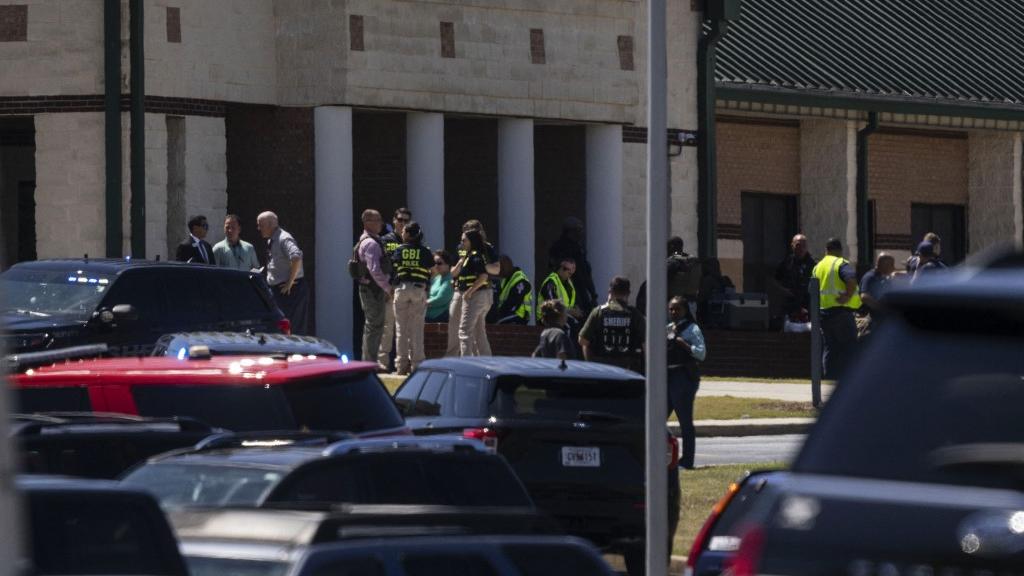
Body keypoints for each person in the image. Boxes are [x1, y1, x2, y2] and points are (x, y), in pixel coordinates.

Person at [446, 220, 498, 356]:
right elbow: (452, 273)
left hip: (477, 291)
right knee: (456, 326)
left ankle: (471, 362)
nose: (462, 241)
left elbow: (495, 270)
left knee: (468, 330)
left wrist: (478, 265)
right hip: (460, 290)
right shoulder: (463, 249)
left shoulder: (486, 249)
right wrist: (462, 261)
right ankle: (453, 358)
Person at [811, 238, 861, 380]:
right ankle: (851, 378)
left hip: (823, 313)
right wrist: (847, 295)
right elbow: (851, 280)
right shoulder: (840, 263)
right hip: (841, 313)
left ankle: (829, 378)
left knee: (830, 347)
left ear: (826, 250)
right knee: (850, 346)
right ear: (839, 250)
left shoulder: (818, 266)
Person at [667, 296, 706, 470]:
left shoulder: (692, 329)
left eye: (677, 309)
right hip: (667, 375)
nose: (674, 312)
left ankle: (687, 460)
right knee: (657, 420)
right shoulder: (667, 328)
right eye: (671, 309)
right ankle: (663, 456)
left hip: (683, 377)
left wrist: (685, 345)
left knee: (684, 421)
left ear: (685, 310)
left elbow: (701, 353)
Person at [390, 221, 433, 375]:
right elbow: (431, 269)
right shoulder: (425, 251)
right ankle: (417, 366)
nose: (401, 233)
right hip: (418, 289)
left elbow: (393, 268)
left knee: (401, 330)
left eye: (404, 231)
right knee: (417, 330)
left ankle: (400, 367)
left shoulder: (399, 249)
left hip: (401, 289)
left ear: (408, 234)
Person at [579, 276, 645, 372]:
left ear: (610, 291)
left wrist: (591, 365)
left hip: (602, 370)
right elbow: (646, 345)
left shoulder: (598, 312)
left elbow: (582, 341)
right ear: (628, 293)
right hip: (628, 371)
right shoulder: (635, 315)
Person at [258, 211, 309, 335]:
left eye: (261, 225)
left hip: (291, 291)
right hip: (278, 291)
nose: (258, 228)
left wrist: (289, 282)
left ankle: (296, 353)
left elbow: (296, 257)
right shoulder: (272, 240)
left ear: (270, 225)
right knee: (279, 327)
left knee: (292, 328)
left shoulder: (283, 238)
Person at [354, 209, 393, 368]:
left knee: (373, 325)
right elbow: (374, 270)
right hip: (373, 290)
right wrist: (388, 288)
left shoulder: (369, 240)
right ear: (367, 222)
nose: (381, 224)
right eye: (377, 220)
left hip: (370, 288)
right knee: (374, 326)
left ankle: (369, 362)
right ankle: (369, 363)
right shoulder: (370, 243)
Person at [377, 208, 411, 372]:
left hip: (407, 287)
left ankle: (403, 365)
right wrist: (385, 287)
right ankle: (382, 365)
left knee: (406, 328)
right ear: (394, 220)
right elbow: (379, 265)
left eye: (406, 220)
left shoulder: (413, 241)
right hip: (390, 288)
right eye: (400, 219)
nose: (403, 223)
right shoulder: (385, 240)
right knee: (387, 328)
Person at [548, 217, 598, 315]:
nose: (580, 234)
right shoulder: (560, 247)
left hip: (581, 285)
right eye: (578, 230)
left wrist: (593, 294)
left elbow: (585, 271)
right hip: (569, 285)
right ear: (570, 231)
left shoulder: (578, 247)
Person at [452, 230, 490, 357]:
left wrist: (469, 292)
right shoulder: (469, 256)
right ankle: (487, 362)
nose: (461, 243)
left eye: (464, 240)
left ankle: (466, 364)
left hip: (474, 296)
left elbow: (483, 276)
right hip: (477, 296)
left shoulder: (475, 256)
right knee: (479, 332)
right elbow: (454, 273)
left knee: (464, 331)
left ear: (471, 241)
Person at [775, 234, 816, 323]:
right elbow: (775, 281)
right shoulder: (787, 263)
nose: (801, 249)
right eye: (798, 245)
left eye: (804, 246)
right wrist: (783, 290)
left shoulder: (813, 264)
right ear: (792, 246)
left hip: (807, 305)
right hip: (790, 304)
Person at [538, 257, 584, 332]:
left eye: (572, 273)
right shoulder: (551, 282)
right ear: (562, 268)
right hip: (548, 318)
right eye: (569, 273)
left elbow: (574, 303)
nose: (570, 276)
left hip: (564, 316)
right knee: (571, 326)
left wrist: (577, 310)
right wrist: (570, 312)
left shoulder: (569, 284)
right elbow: (552, 307)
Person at [857, 252, 895, 339]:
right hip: (872, 320)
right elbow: (864, 296)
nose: (894, 268)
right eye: (891, 265)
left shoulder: (883, 277)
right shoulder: (870, 277)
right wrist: (881, 308)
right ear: (884, 265)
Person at [493, 255, 532, 325]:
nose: (499, 272)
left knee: (496, 322)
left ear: (506, 266)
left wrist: (498, 314)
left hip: (518, 315)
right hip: (508, 314)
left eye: (500, 269)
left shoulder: (520, 280)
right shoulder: (505, 280)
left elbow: (513, 302)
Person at [426, 250, 455, 323]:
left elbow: (440, 299)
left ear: (447, 264)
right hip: (427, 315)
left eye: (439, 263)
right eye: (434, 263)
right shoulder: (436, 278)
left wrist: (423, 303)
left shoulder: (449, 280)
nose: (436, 266)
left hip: (439, 317)